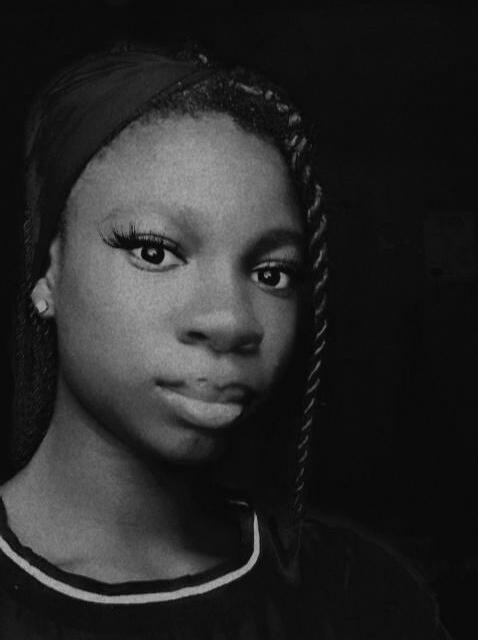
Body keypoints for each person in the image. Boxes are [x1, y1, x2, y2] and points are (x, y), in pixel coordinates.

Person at [0, 41, 451, 639]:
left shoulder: (361, 596)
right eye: (154, 251)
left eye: (272, 274)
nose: (233, 321)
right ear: (47, 269)